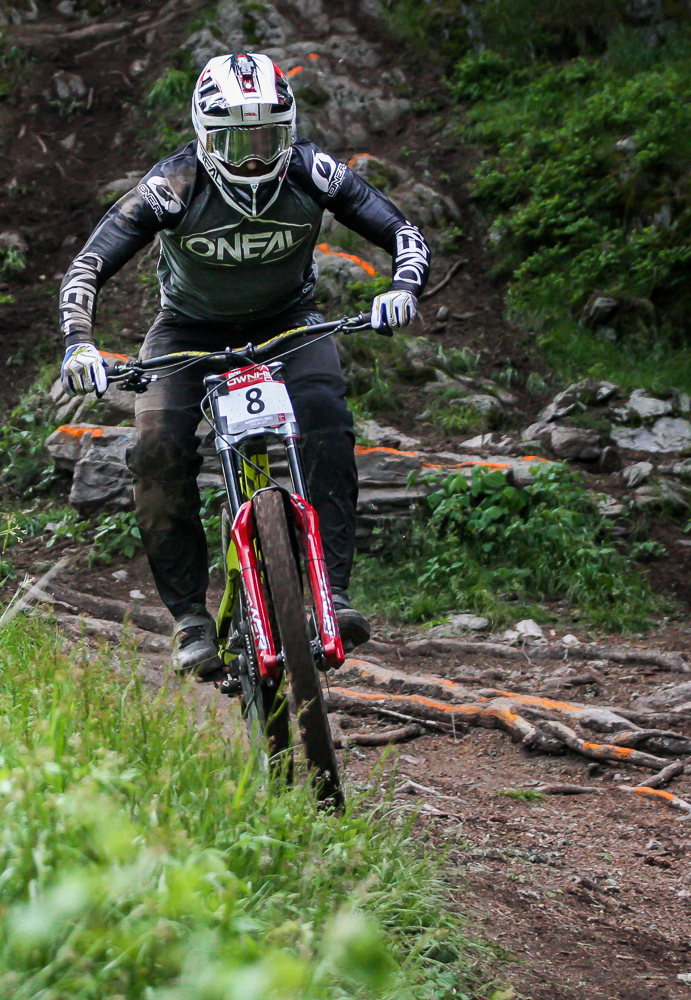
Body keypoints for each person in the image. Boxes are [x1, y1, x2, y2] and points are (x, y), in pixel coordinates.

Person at [57, 52, 429, 677]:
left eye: (267, 139)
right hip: (187, 331)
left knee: (326, 418)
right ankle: (189, 619)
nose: (253, 159)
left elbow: (403, 233)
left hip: (290, 321)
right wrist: (79, 343)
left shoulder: (313, 170)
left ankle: (332, 596)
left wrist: (402, 288)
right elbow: (87, 267)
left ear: (290, 131)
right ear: (205, 137)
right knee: (155, 449)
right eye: (235, 142)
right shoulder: (172, 186)